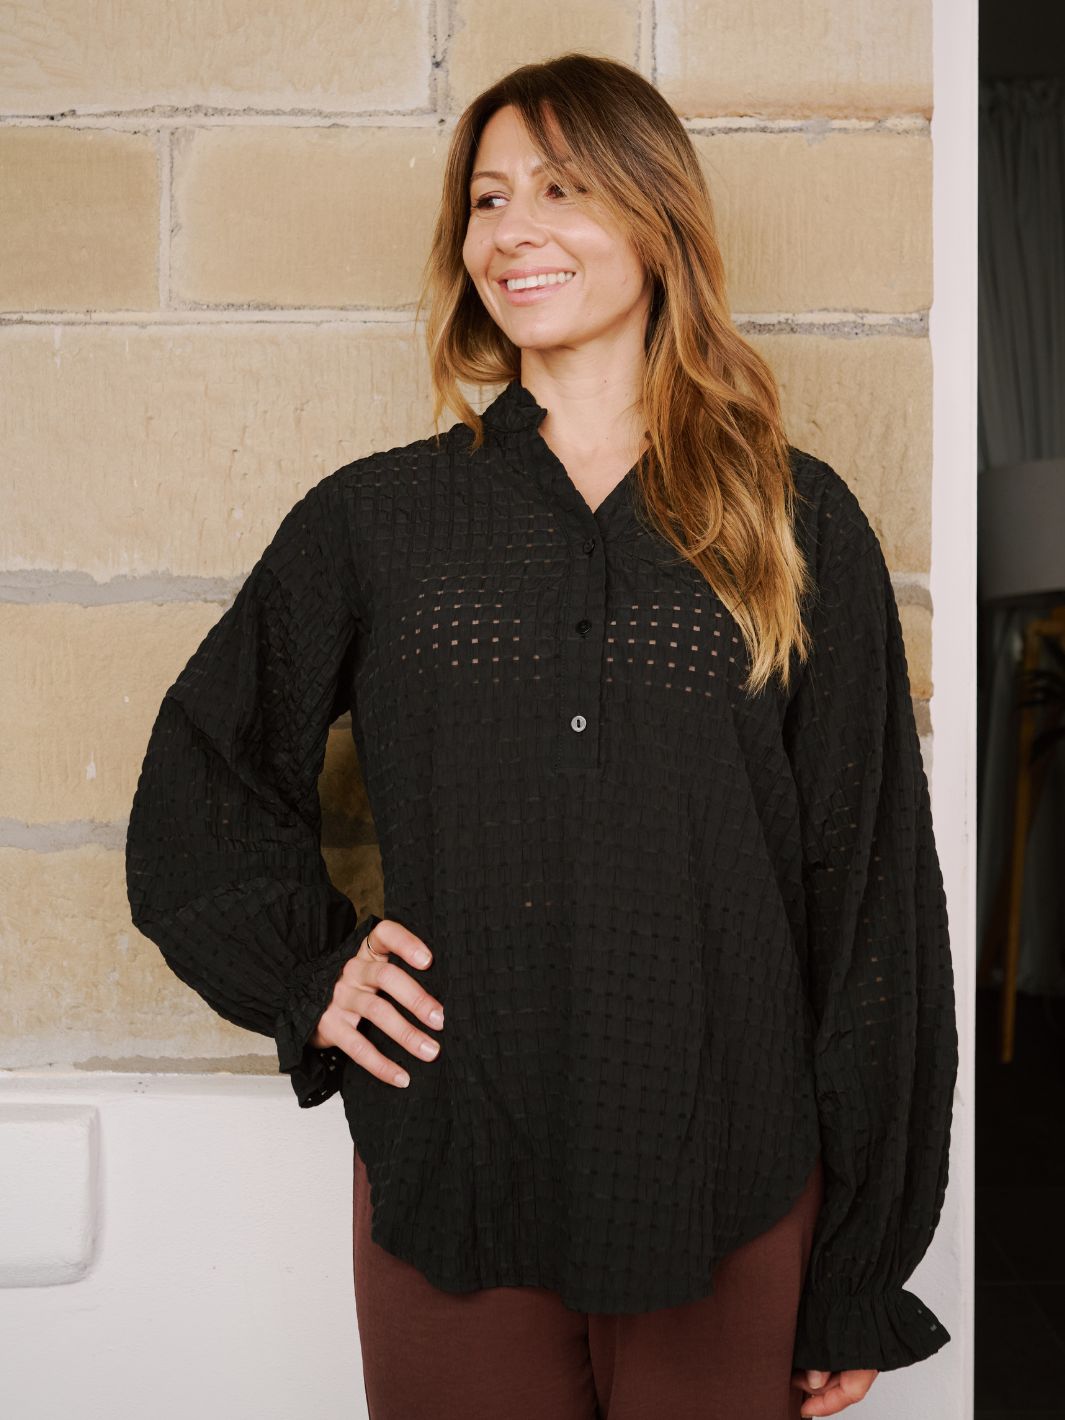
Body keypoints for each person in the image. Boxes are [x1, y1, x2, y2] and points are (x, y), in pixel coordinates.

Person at [125, 53, 959, 1420]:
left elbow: (869, 902)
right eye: (488, 198)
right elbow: (202, 777)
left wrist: (859, 1264)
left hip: (729, 1173)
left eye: (562, 190)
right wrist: (310, 975)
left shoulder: (795, 520)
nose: (513, 230)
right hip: (456, 1164)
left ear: (656, 220)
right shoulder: (379, 521)